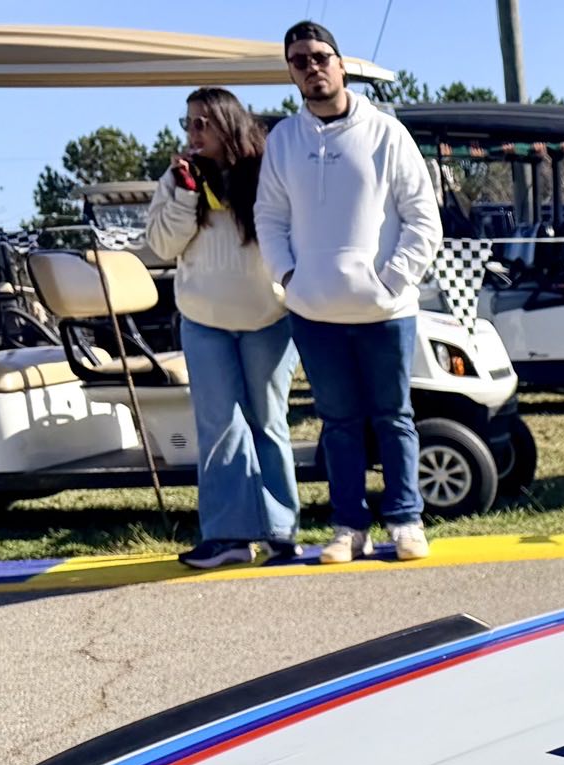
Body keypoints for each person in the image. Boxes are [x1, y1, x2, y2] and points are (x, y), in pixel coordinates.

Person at [255, 20, 441, 562]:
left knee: (393, 417)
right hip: (314, 312)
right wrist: (290, 277)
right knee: (337, 424)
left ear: (341, 63)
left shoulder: (386, 132)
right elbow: (270, 216)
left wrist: (391, 280)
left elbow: (423, 219)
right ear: (291, 73)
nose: (311, 67)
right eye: (298, 61)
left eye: (319, 56)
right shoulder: (284, 140)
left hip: (385, 311)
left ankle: (406, 521)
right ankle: (348, 527)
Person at [145, 89, 298, 571]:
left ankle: (281, 532)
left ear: (229, 124)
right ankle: (228, 536)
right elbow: (163, 245)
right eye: (188, 123)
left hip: (268, 319)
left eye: (202, 123)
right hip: (204, 322)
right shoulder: (176, 179)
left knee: (268, 422)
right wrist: (186, 195)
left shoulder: (267, 172)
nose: (193, 133)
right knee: (219, 428)